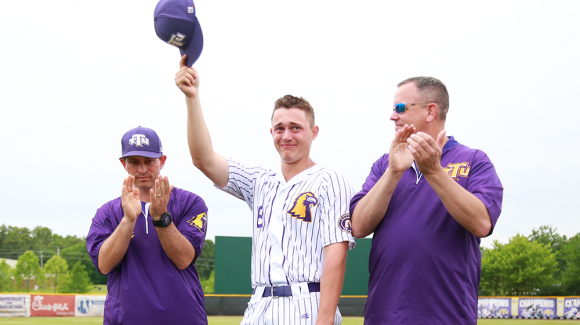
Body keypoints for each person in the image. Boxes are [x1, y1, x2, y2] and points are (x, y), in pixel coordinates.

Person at [175, 55, 356, 325]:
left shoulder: (329, 179)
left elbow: (336, 256)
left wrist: (325, 320)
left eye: (296, 128)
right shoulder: (260, 180)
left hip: (306, 303)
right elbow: (204, 160)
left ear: (314, 132)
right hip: (259, 305)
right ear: (271, 131)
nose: (286, 136)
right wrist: (192, 97)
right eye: (279, 128)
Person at [350, 77, 503, 324]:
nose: (392, 116)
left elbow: (482, 223)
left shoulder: (474, 160)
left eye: (400, 108)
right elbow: (358, 226)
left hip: (447, 315)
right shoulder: (384, 165)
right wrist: (393, 172)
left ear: (430, 111)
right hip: (384, 315)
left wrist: (434, 171)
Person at [86, 126, 208, 325]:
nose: (142, 169)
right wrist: (127, 220)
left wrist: (161, 217)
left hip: (182, 317)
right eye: (134, 162)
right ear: (123, 164)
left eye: (149, 161)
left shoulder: (190, 203)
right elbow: (104, 264)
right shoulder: (107, 212)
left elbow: (184, 259)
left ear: (162, 161)